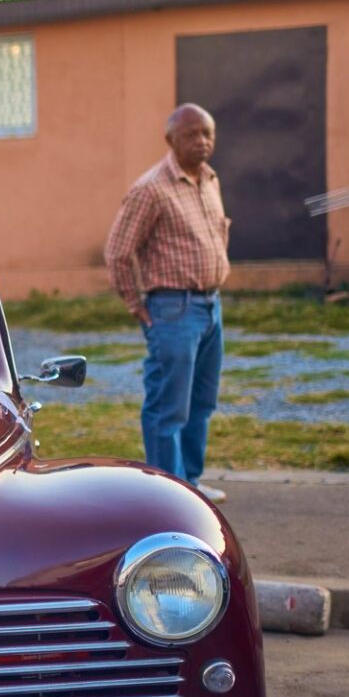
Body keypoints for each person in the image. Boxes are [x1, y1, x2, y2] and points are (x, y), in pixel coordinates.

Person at [104, 103, 231, 501]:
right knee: (168, 407)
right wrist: (134, 302)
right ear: (170, 140)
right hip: (173, 309)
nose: (202, 142)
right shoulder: (151, 189)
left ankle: (190, 483)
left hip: (211, 307)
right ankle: (169, 495)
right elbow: (118, 251)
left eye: (207, 133)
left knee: (201, 401)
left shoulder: (210, 179)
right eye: (192, 134)